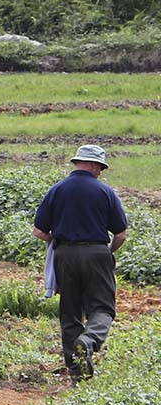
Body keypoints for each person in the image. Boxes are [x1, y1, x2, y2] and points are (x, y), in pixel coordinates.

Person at [33, 145, 128, 381]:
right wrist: (107, 252)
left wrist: (57, 241)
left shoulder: (56, 190)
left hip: (64, 255)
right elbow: (120, 234)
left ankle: (78, 375)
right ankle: (89, 340)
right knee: (103, 308)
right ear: (95, 166)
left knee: (70, 313)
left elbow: (38, 231)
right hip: (97, 253)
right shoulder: (105, 192)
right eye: (100, 168)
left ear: (78, 163)